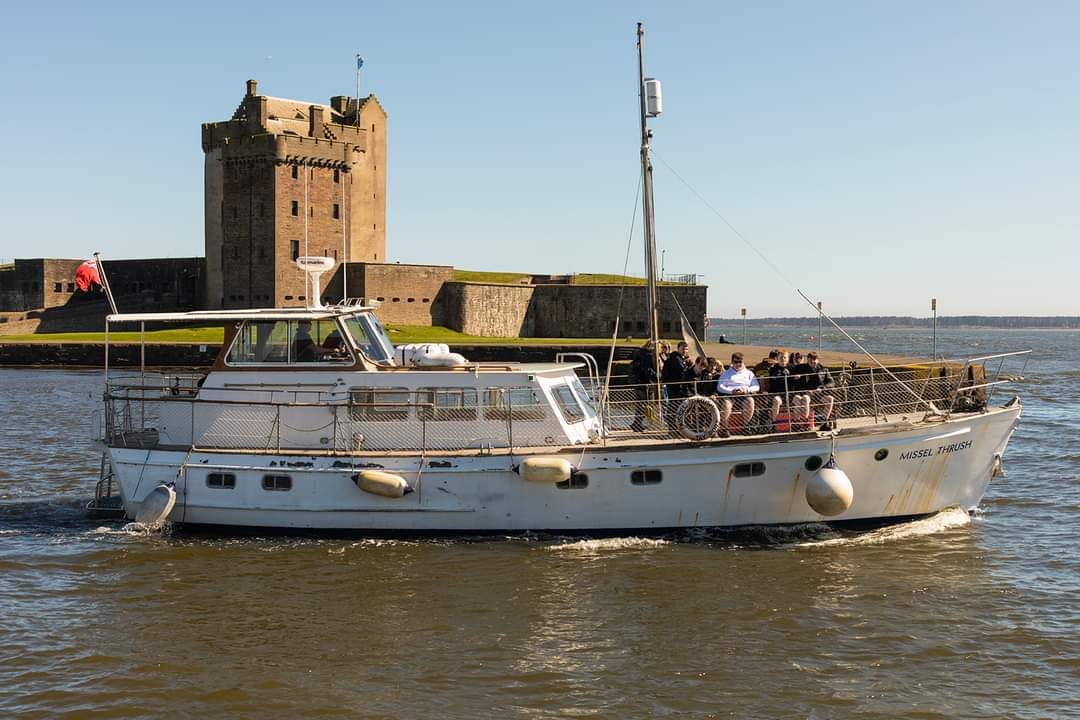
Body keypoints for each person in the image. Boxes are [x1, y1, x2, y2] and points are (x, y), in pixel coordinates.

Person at [715, 351, 759, 436]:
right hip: (730, 395)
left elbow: (756, 386)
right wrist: (731, 391)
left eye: (740, 362)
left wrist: (746, 390)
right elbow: (720, 387)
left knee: (750, 401)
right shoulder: (726, 373)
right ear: (732, 362)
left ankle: (746, 427)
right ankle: (725, 429)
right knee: (726, 404)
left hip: (744, 394)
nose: (738, 364)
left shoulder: (749, 373)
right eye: (736, 362)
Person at [792, 352, 836, 430]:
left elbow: (831, 382)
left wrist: (821, 389)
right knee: (805, 398)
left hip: (818, 394)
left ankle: (823, 423)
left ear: (818, 360)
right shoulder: (800, 368)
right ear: (807, 360)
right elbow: (790, 373)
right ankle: (806, 424)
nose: (812, 362)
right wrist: (795, 377)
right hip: (805, 393)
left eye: (814, 360)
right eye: (810, 360)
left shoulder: (823, 369)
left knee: (830, 399)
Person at [628, 339, 658, 432]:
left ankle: (637, 423)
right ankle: (642, 424)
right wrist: (657, 377)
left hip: (638, 382)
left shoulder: (639, 354)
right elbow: (647, 370)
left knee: (641, 404)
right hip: (646, 383)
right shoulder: (647, 356)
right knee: (647, 404)